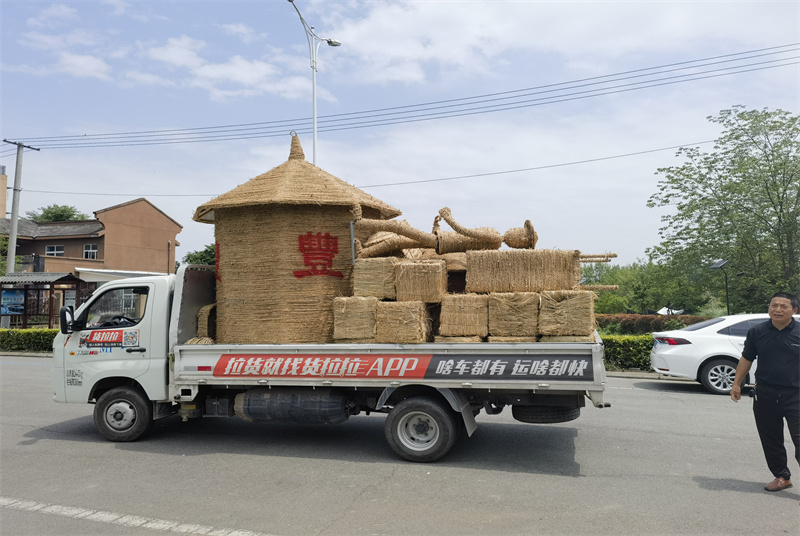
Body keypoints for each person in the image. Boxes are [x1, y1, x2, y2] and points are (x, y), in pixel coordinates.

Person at [730, 291, 800, 492]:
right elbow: (746, 358)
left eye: (783, 306)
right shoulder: (757, 332)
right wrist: (736, 384)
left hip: (796, 394)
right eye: (773, 305)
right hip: (765, 393)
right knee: (771, 439)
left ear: (794, 310)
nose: (777, 309)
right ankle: (782, 477)